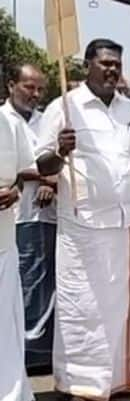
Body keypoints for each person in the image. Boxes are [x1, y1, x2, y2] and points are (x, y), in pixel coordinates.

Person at [36, 39, 130, 400]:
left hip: (128, 222)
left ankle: (128, 376)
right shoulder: (64, 108)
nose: (112, 70)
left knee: (128, 303)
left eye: (117, 64)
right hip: (84, 224)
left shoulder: (129, 110)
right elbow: (42, 166)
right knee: (86, 304)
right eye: (105, 63)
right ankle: (83, 383)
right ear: (86, 66)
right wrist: (60, 150)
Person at [2, 64, 57, 371]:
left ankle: (33, 348)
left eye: (39, 89)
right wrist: (47, 177)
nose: (35, 95)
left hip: (44, 216)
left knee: (42, 284)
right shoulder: (3, 120)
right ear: (11, 85)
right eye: (28, 87)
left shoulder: (44, 120)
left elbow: (49, 161)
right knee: (21, 284)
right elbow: (29, 167)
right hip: (15, 217)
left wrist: (50, 178)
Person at [0, 106, 36, 401]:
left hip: (4, 243)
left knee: (5, 326)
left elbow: (23, 174)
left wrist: (15, 192)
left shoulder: (8, 124)